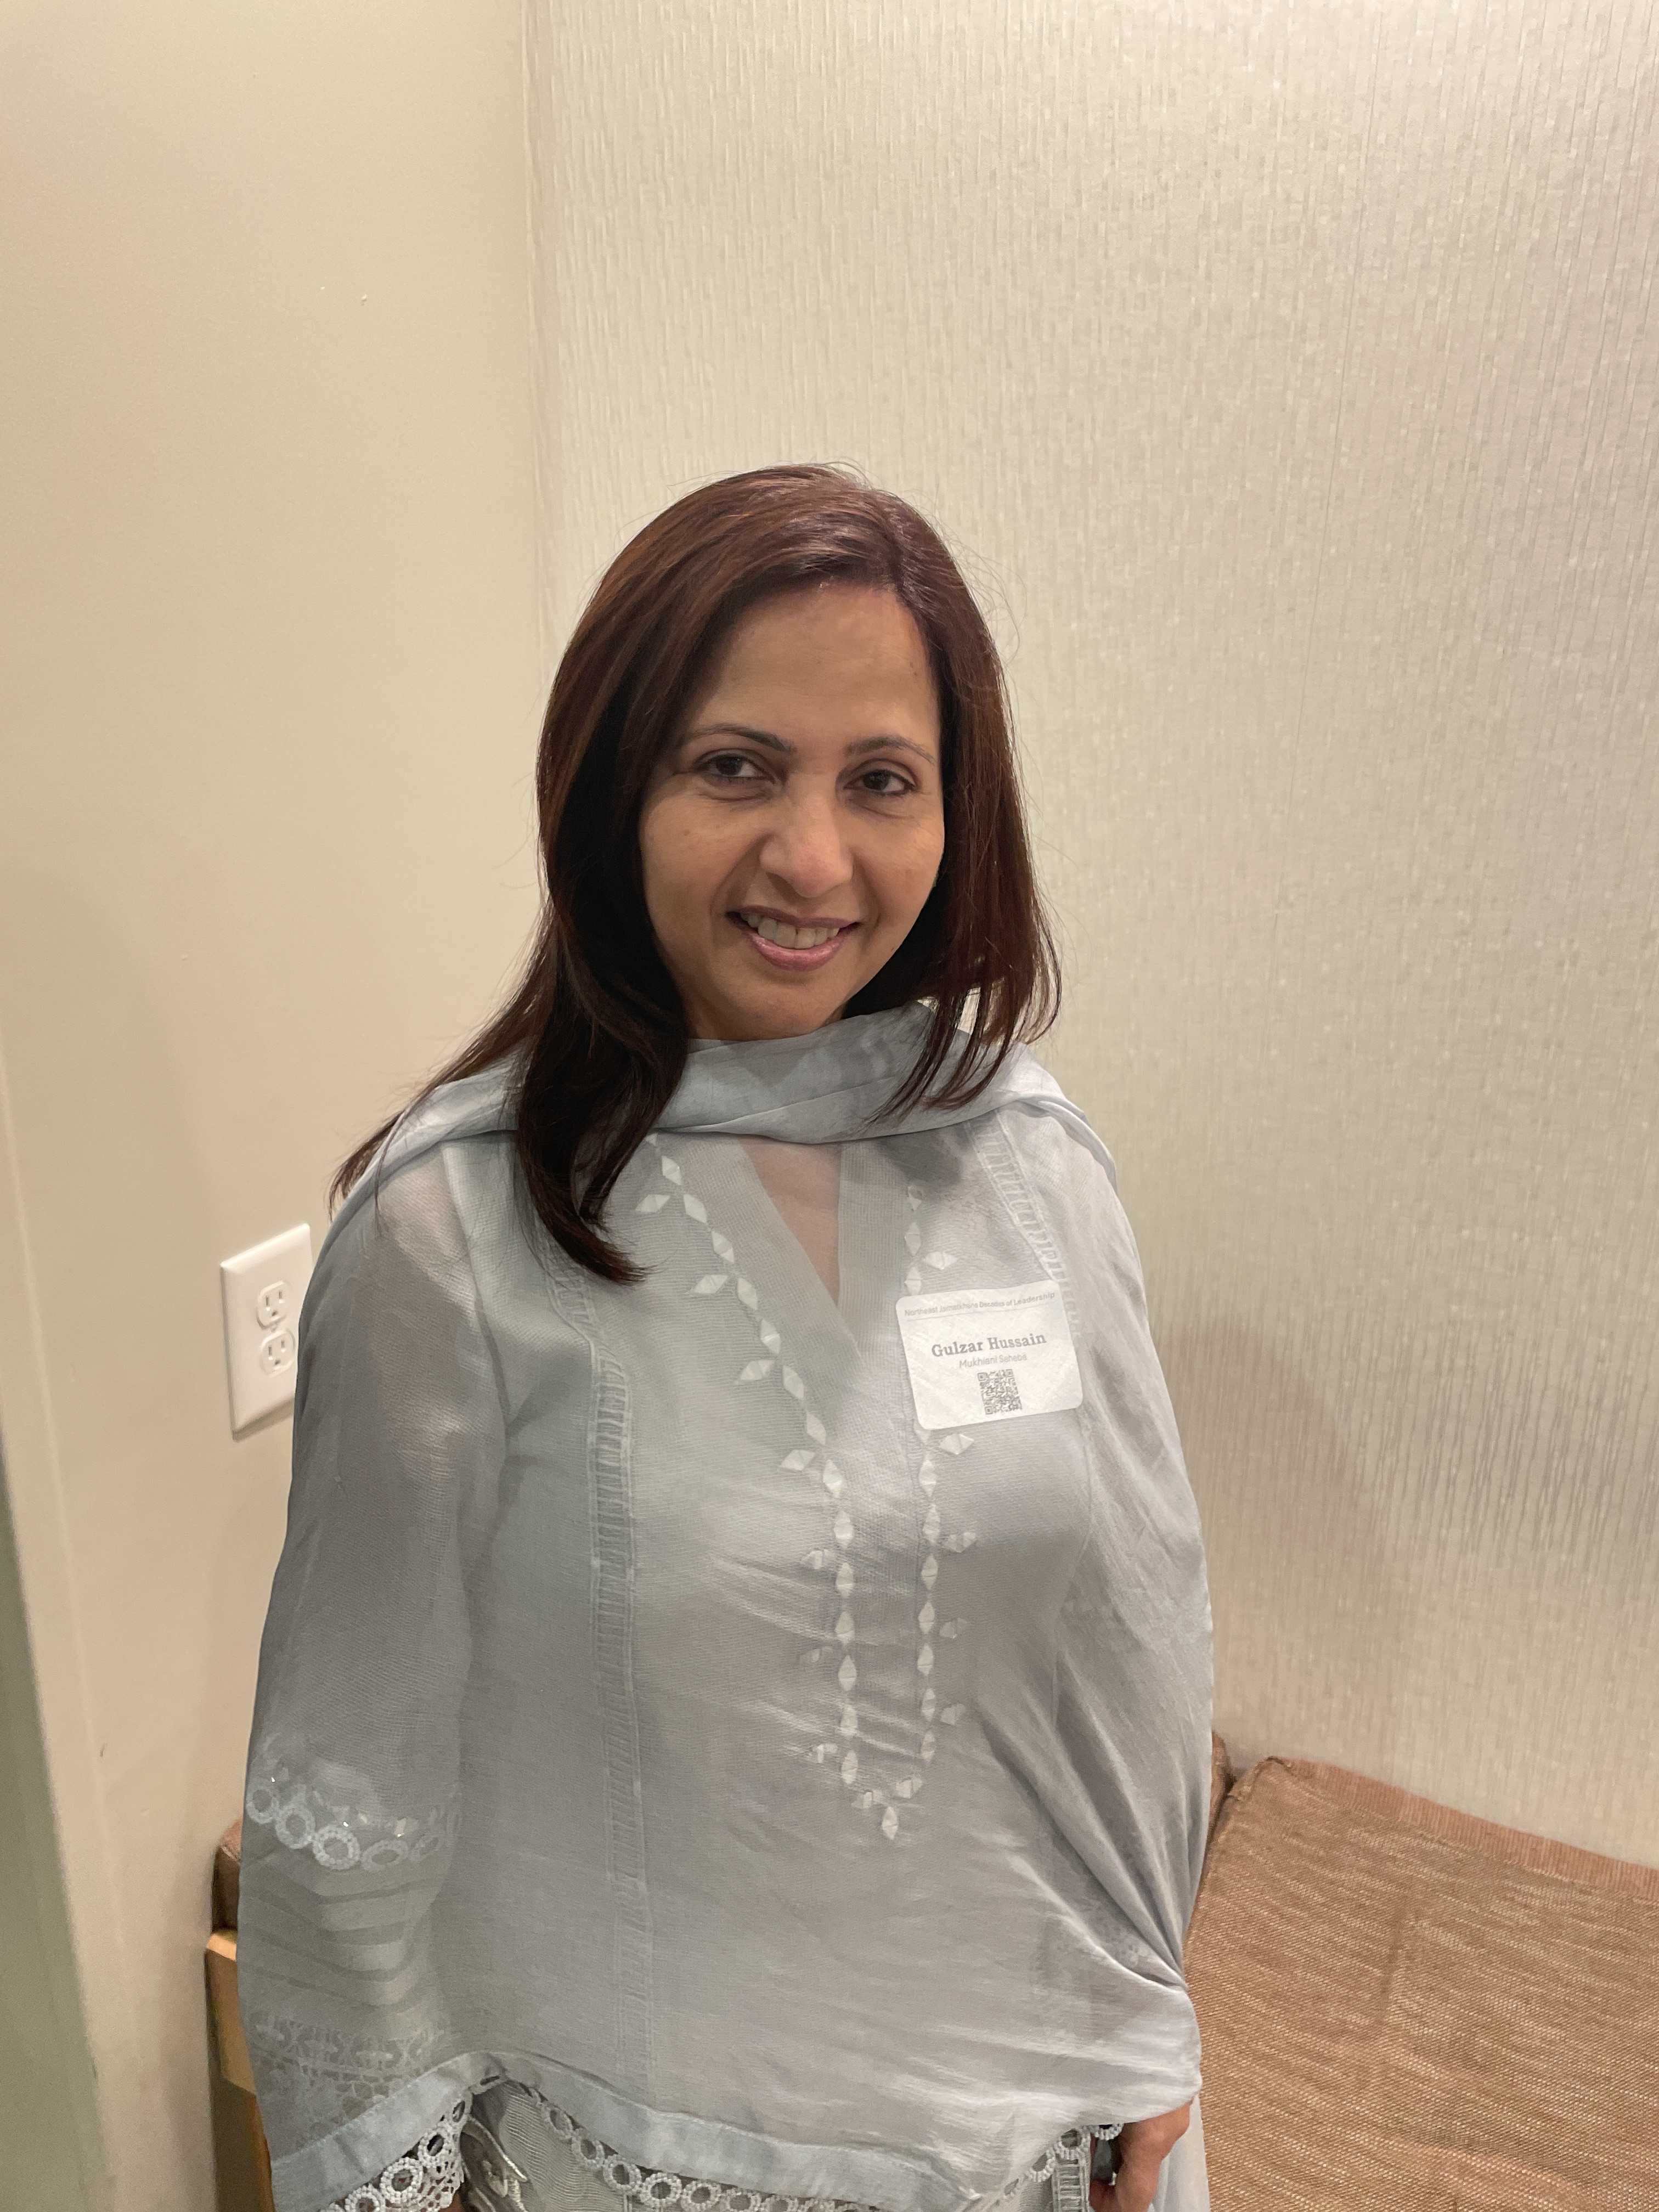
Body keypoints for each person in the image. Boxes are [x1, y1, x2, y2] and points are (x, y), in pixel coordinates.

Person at [236, 465, 1215, 2212]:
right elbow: (351, 1791)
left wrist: (1144, 2021)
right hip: (639, 2140)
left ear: (958, 813)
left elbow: (1130, 1649)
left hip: (1032, 2136)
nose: (813, 858)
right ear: (612, 787)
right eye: (736, 767)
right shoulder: (452, 1230)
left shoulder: (1032, 1167)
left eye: (881, 779)